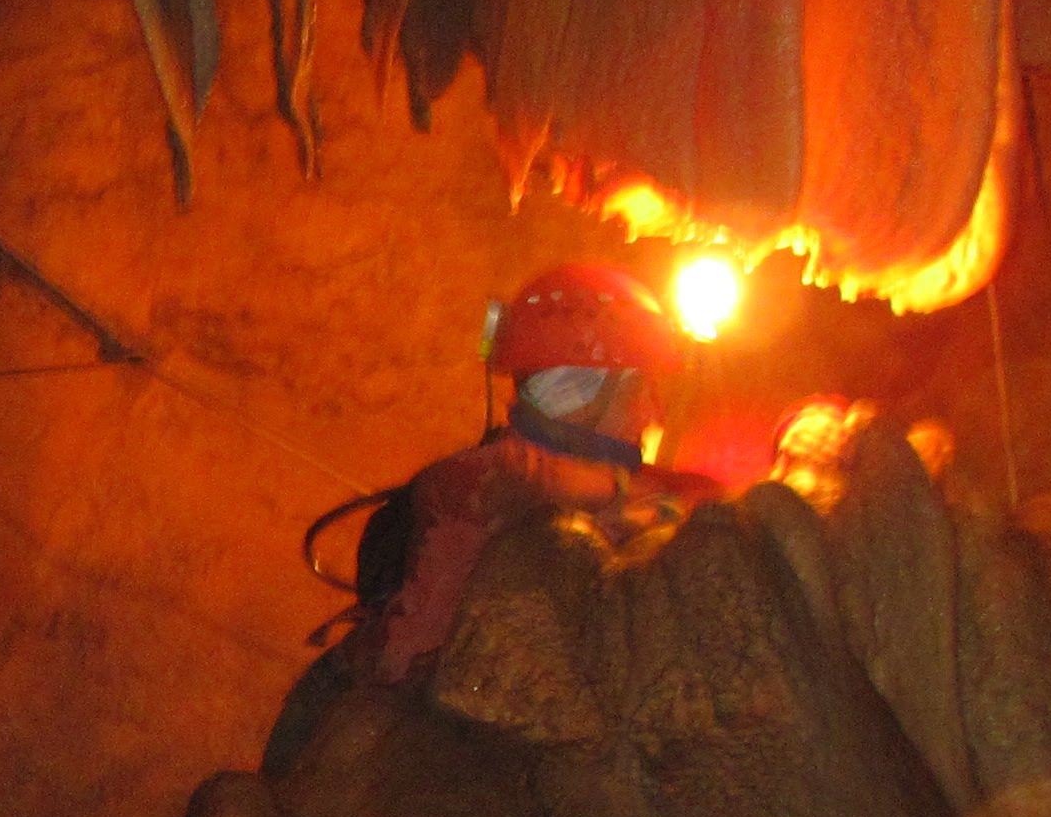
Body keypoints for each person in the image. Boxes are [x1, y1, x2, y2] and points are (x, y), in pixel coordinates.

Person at [267, 259, 715, 771]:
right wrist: (631, 497)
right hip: (360, 730)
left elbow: (692, 504)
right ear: (582, 395)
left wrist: (640, 496)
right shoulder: (472, 484)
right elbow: (535, 482)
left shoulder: (602, 487)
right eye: (643, 391)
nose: (655, 412)